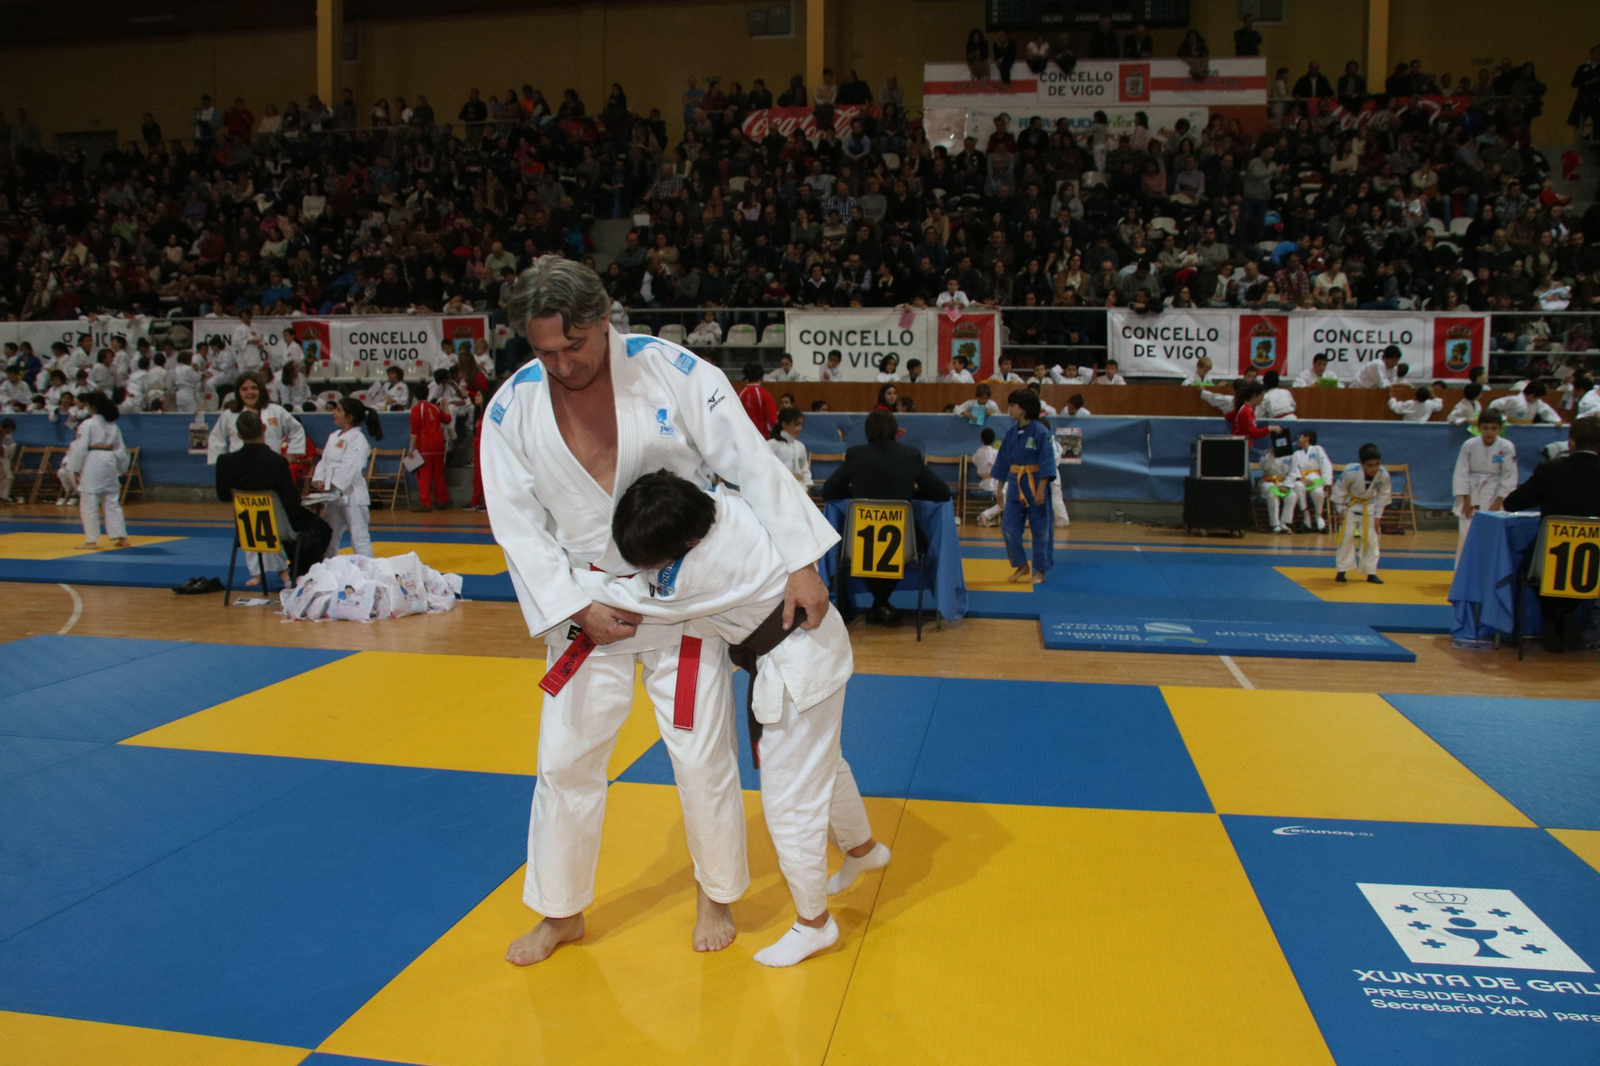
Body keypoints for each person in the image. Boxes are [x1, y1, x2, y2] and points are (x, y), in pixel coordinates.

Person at [481, 256, 836, 965]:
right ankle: (560, 909)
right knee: (565, 761)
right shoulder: (511, 408)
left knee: (701, 756)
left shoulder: (672, 370)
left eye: (574, 345)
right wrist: (574, 606)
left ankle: (717, 891)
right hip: (587, 602)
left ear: (605, 314)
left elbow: (752, 462)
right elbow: (515, 524)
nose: (562, 363)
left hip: (682, 596)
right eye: (544, 350)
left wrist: (801, 560)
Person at [576, 471, 888, 966]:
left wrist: (567, 579)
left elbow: (631, 601)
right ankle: (863, 850)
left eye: (657, 558)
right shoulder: (727, 502)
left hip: (798, 674)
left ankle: (814, 924)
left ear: (689, 542)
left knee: (790, 804)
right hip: (817, 648)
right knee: (823, 763)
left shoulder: (702, 572)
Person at [821, 409, 952, 624]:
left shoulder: (856, 454)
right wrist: (911, 494)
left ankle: (879, 604)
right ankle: (882, 604)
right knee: (916, 543)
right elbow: (942, 492)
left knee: (857, 546)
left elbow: (828, 491)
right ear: (895, 430)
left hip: (859, 544)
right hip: (903, 545)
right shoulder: (910, 454)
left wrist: (857, 494)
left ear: (867, 431)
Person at [1504, 416, 1600, 651]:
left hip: (1550, 557)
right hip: (1595, 560)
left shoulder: (1551, 469)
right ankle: (1567, 613)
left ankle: (1550, 615)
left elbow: (1512, 503)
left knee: (1533, 562)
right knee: (1581, 567)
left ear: (1571, 443)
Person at [215, 410, 330, 586]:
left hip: (248, 529)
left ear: (238, 435)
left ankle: (296, 572)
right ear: (264, 428)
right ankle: (300, 574)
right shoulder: (276, 462)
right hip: (277, 527)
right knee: (320, 529)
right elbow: (293, 502)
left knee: (299, 526)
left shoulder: (224, 461)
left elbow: (223, 496)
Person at [994, 389, 1055, 584]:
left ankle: (1040, 572)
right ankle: (1021, 565)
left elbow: (1047, 461)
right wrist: (999, 488)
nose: (1009, 409)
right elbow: (1003, 461)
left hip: (1036, 482)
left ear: (1024, 408)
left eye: (1012, 405)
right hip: (1014, 484)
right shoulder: (1011, 433)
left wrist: (1041, 488)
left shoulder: (1041, 432)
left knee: (1040, 530)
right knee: (1008, 527)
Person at [314, 397, 383, 559]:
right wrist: (320, 479)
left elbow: (351, 467)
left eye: (338, 410)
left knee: (359, 539)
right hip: (332, 495)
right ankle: (329, 572)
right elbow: (324, 462)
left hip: (352, 494)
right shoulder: (333, 436)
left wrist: (333, 483)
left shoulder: (358, 439)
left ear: (349, 417)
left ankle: (369, 577)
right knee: (329, 538)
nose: (334, 413)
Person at [63, 393, 130, 550]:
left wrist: (74, 467)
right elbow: (122, 450)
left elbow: (80, 447)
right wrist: (122, 467)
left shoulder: (88, 424)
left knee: (89, 500)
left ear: (93, 407)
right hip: (110, 460)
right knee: (112, 500)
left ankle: (91, 540)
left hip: (94, 460)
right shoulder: (113, 425)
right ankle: (122, 537)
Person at [1451, 410, 1517, 561]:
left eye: (1494, 428)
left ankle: (1489, 579)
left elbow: (1510, 475)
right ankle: (1462, 580)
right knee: (1465, 538)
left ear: (1500, 429)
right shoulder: (1469, 445)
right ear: (1479, 427)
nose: (1489, 432)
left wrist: (1498, 502)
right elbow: (1461, 472)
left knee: (1492, 539)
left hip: (1495, 492)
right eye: (1485, 428)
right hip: (1472, 490)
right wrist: (1466, 500)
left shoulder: (1507, 446)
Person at [206, 371, 308, 466]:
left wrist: (291, 454)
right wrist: (219, 462)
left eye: (254, 388)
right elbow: (216, 437)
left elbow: (296, 430)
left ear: (261, 390)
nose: (250, 392)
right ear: (238, 392)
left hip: (271, 465)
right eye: (244, 389)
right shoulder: (229, 414)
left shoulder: (276, 411)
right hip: (240, 467)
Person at [1333, 443, 1392, 584]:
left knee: (1371, 540)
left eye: (1377, 464)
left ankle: (1370, 572)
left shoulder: (1383, 475)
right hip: (1351, 507)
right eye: (1370, 465)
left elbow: (1383, 496)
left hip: (1369, 507)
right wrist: (1340, 510)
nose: (1374, 468)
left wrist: (1378, 517)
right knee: (1346, 538)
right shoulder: (1350, 472)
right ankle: (1342, 571)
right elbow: (1339, 492)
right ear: (1362, 464)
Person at [408, 387, 452, 512]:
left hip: (425, 447)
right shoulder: (435, 408)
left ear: (415, 397)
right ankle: (442, 500)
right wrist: (445, 406)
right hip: (439, 446)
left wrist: (411, 447)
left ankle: (425, 503)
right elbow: (448, 420)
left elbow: (414, 431)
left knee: (424, 475)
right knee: (439, 474)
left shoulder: (416, 409)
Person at [1291, 430, 1334, 531]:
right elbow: (1293, 468)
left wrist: (1327, 484)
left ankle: (1319, 517)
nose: (1298, 440)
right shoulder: (1296, 454)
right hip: (1302, 480)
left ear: (1307, 438)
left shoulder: (1317, 449)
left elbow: (1326, 465)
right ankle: (1306, 518)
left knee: (1318, 492)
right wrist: (1301, 478)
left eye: (1300, 437)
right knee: (1297, 485)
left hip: (1316, 479)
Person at [1259, 449, 1301, 534]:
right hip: (1268, 482)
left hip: (1283, 483)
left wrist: (1287, 485)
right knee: (1272, 494)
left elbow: (1293, 473)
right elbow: (1265, 467)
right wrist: (1272, 456)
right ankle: (1275, 524)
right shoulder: (1267, 453)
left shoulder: (1291, 456)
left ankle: (1283, 523)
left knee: (1292, 496)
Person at [768, 406, 811, 487]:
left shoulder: (800, 446)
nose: (800, 428)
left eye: (801, 424)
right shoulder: (772, 445)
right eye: (796, 424)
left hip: (799, 487)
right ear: (784, 425)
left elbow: (804, 467)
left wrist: (807, 483)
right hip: (779, 487)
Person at [1489, 381, 1564, 424]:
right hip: (1510, 427)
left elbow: (1546, 410)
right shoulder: (1514, 400)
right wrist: (1502, 419)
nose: (1538, 399)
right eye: (1538, 397)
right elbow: (1493, 405)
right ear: (1532, 395)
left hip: (1527, 428)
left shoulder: (1537, 403)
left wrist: (1556, 420)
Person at [738, 362, 778, 437]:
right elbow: (773, 420)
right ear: (761, 377)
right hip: (762, 438)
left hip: (743, 438)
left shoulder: (739, 394)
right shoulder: (765, 395)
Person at [973, 426, 1001, 526]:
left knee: (1009, 498)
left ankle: (985, 516)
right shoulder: (995, 453)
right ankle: (985, 515)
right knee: (1006, 500)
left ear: (981, 439)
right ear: (994, 440)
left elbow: (975, 461)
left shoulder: (978, 452)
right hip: (993, 483)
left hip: (985, 481)